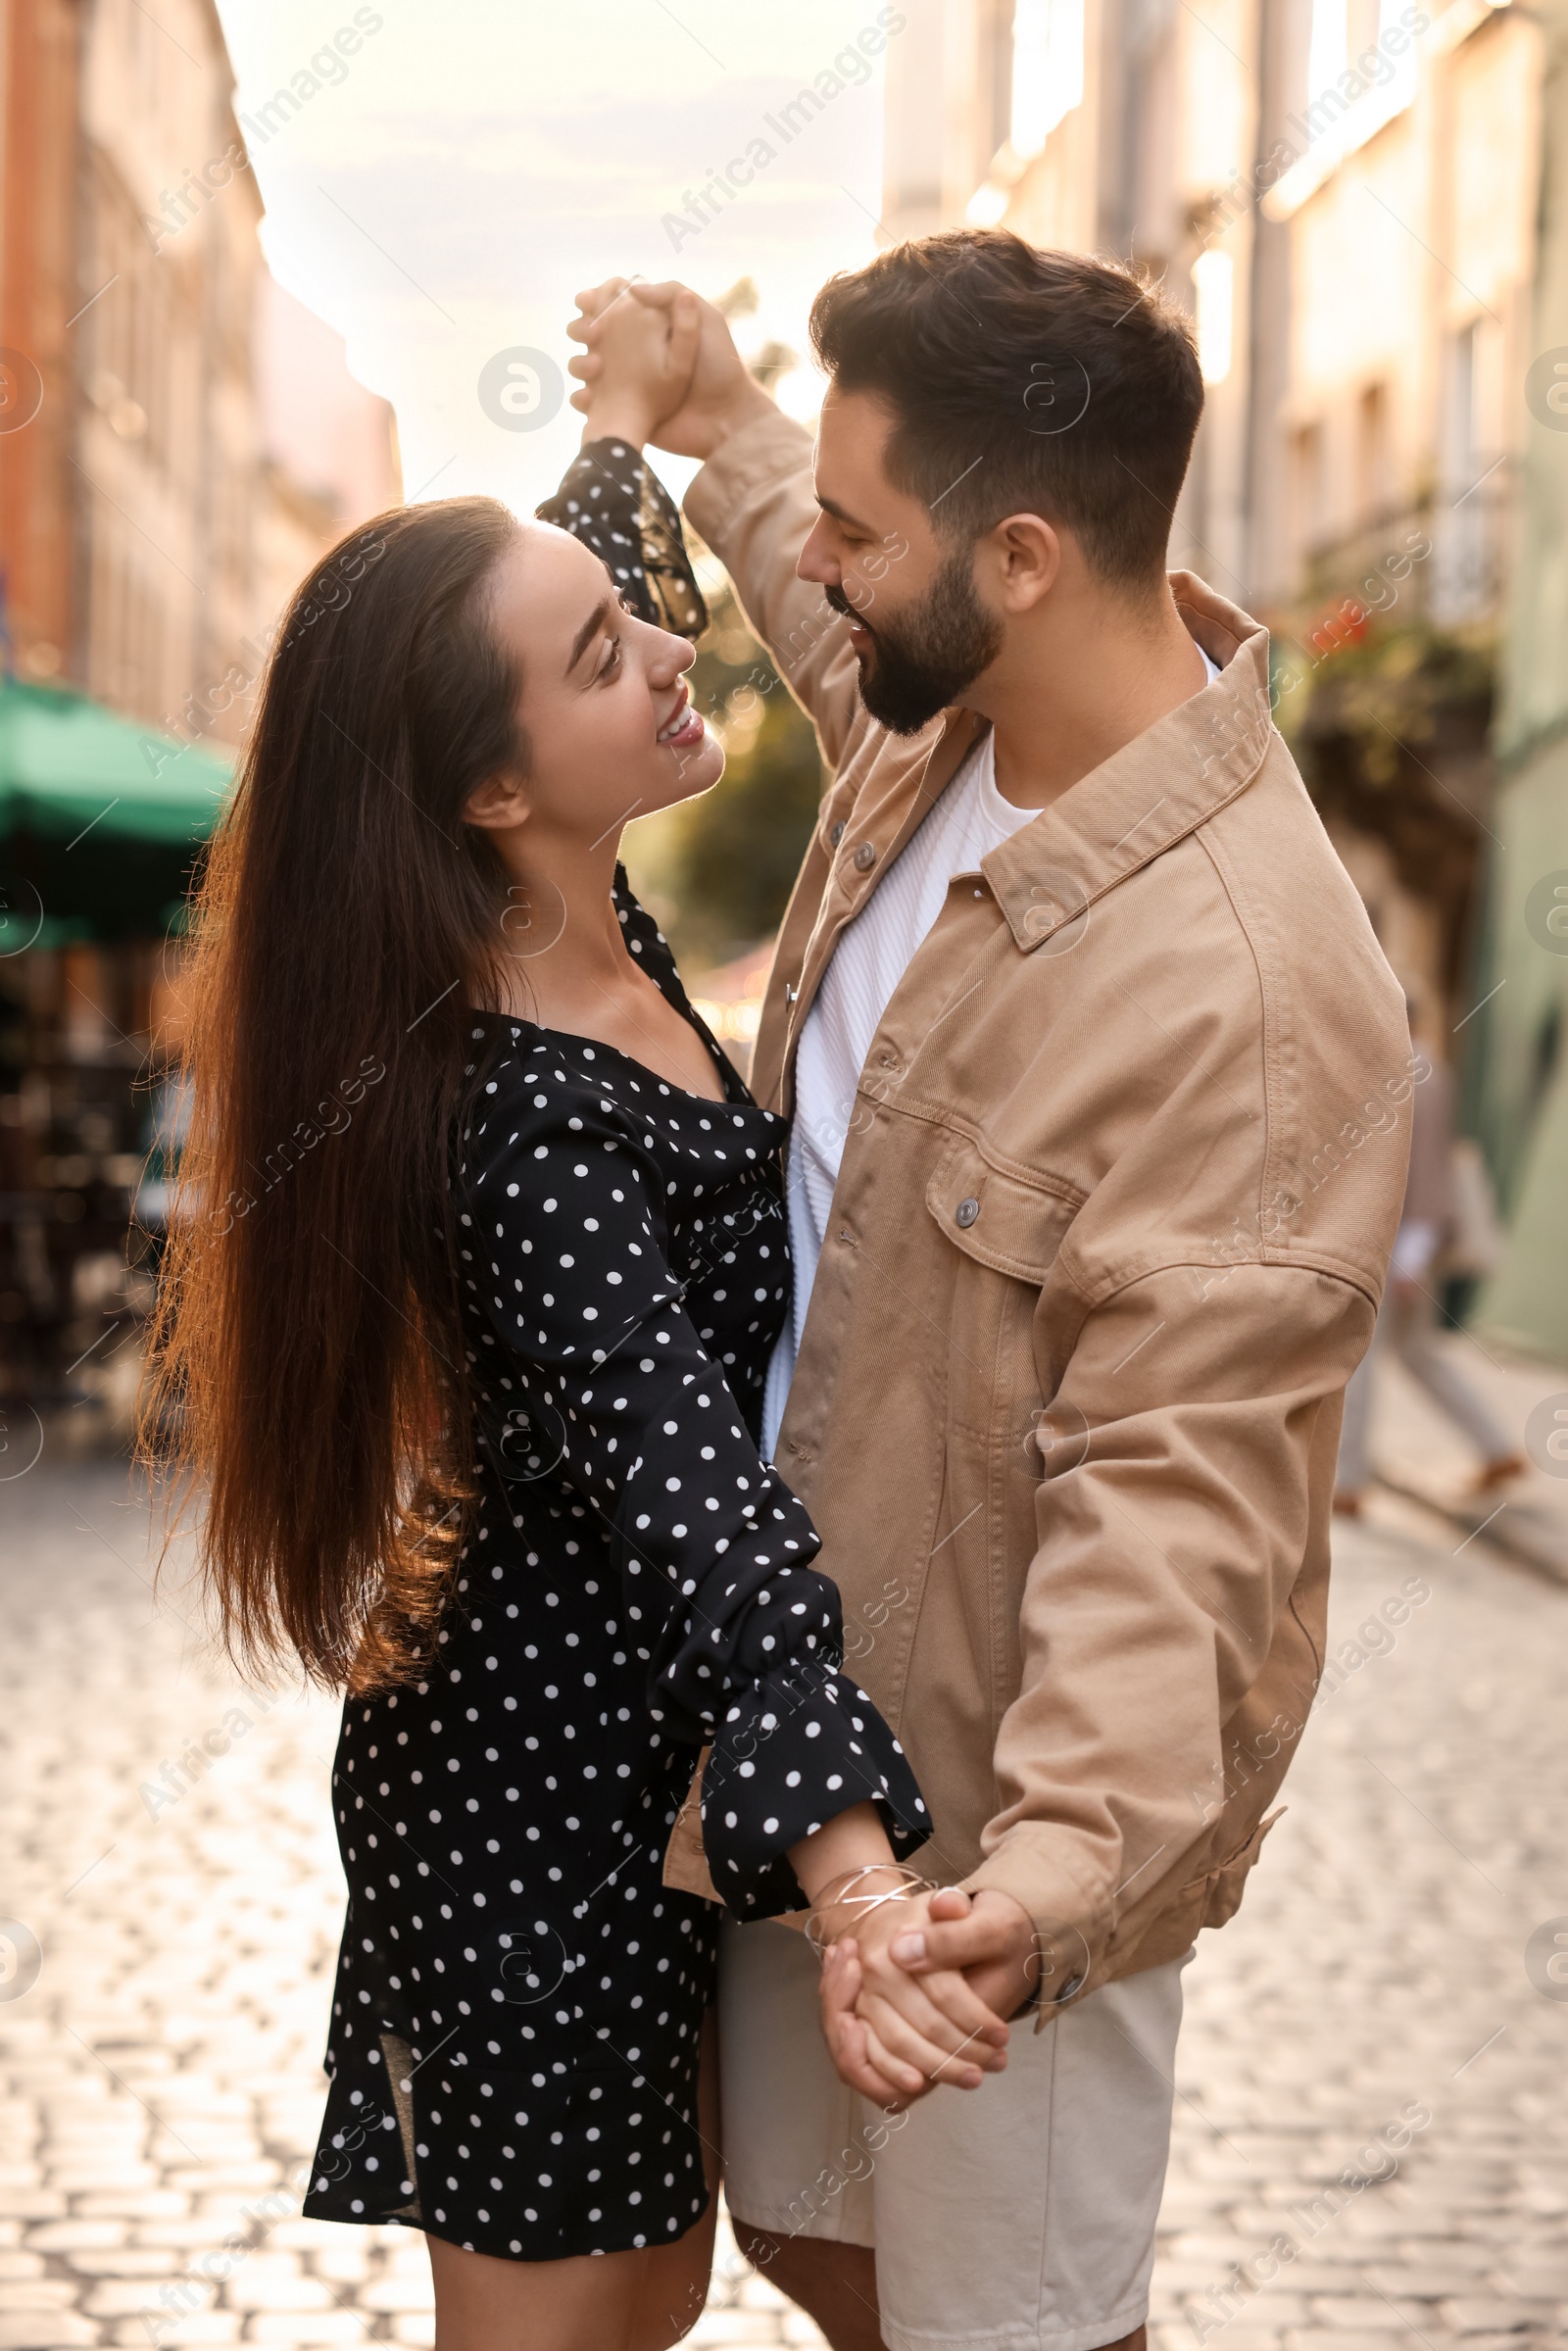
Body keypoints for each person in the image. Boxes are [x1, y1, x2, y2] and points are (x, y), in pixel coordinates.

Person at [568, 230, 1412, 2351]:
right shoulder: (941, 715)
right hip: (817, 1722)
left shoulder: (1247, 993)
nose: (821, 572)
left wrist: (1038, 1886)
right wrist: (717, 417)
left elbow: (1184, 1497)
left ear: (1017, 554)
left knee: (1013, 2321)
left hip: (995, 1801)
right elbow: (809, 565)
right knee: (824, 2239)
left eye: (865, 530)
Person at [139, 354, 1014, 2350]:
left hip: (635, 1780)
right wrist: (862, 1884)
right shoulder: (512, 1118)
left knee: (656, 2290)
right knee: (573, 2322)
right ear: (490, 788)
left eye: (641, 623)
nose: (665, 654)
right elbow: (698, 1502)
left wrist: (642, 408)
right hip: (524, 1799)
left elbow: (544, 575)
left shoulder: (585, 914)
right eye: (608, 654)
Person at [1335, 1030, 1524, 1512]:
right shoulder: (1422, 1067)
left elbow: (1425, 1170)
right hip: (1411, 1242)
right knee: (1419, 1355)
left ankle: (1348, 1483)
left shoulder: (1416, 1071)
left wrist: (1412, 1257)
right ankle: (1496, 1447)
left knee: (1362, 1361)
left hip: (1403, 1245)